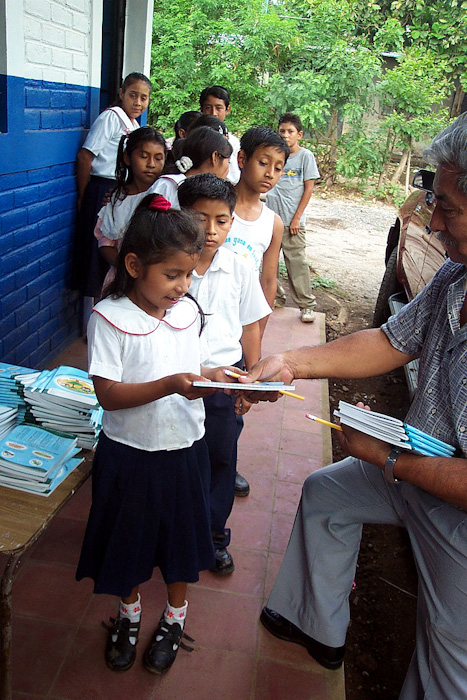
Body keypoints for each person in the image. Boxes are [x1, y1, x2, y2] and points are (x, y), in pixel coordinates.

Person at [242, 114, 467, 699]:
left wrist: (390, 460)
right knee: (327, 494)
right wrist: (292, 364)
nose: (431, 222)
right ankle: (315, 625)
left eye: (447, 208)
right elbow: (391, 341)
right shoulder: (455, 278)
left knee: (449, 650)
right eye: (431, 201)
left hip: (454, 504)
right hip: (418, 463)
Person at [76, 195, 231, 675]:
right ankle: (129, 614)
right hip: (130, 455)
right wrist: (170, 386)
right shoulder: (110, 318)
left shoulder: (187, 312)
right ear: (134, 264)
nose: (183, 286)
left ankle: (175, 617)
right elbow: (108, 393)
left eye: (189, 275)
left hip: (185, 450)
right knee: (128, 541)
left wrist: (220, 376)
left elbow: (188, 370)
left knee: (181, 543)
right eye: (172, 275)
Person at [178, 174, 271, 574]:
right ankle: (175, 531)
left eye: (222, 220)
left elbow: (251, 325)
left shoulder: (238, 268)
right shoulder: (168, 266)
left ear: (233, 221)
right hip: (175, 382)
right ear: (182, 216)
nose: (211, 230)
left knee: (221, 461)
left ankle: (214, 537)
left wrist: (251, 379)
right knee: (179, 459)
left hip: (221, 384)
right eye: (200, 218)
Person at [222, 125, 289, 497]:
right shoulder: (218, 207)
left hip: (243, 324)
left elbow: (268, 281)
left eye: (278, 167)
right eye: (263, 162)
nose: (270, 173)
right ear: (242, 159)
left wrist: (257, 337)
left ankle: (225, 463)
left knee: (236, 396)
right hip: (201, 317)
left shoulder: (272, 223)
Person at [73, 72, 152, 300]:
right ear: (121, 94)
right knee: (96, 253)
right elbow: (85, 156)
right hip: (101, 188)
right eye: (133, 95)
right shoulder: (111, 117)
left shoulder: (133, 124)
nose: (138, 102)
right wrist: (84, 195)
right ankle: (92, 320)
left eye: (144, 98)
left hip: (118, 190)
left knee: (113, 251)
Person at [95, 126, 167, 290]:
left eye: (158, 158)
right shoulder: (116, 201)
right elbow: (106, 243)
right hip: (123, 280)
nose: (151, 164)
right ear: (127, 158)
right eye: (143, 156)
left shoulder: (167, 194)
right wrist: (129, 269)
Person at [266, 113, 320, 323]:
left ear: (299, 134)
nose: (286, 136)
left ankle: (306, 305)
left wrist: (297, 218)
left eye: (290, 132)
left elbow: (308, 189)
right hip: (272, 218)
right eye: (282, 131)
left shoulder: (305, 156)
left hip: (292, 222)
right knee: (268, 262)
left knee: (296, 264)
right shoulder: (275, 155)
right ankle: (276, 296)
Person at [153, 126, 232, 208]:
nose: (228, 170)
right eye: (228, 162)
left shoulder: (217, 195)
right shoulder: (168, 185)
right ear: (215, 157)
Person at [199, 85, 241, 184]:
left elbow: (235, 177)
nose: (213, 113)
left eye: (219, 108)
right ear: (201, 109)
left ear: (227, 110)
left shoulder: (233, 142)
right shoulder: (195, 137)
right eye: (208, 108)